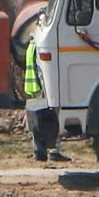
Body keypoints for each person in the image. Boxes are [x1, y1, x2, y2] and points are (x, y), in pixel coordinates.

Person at [24, 28, 67, 163]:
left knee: (38, 121)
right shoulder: (40, 46)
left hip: (35, 88)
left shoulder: (31, 46)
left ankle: (39, 152)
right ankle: (53, 151)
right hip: (43, 89)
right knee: (52, 119)